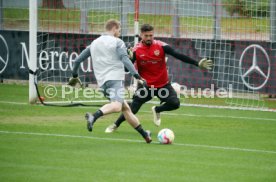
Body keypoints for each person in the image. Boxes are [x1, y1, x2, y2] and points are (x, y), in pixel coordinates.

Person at [105, 23, 213, 133]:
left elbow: (178, 55)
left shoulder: (161, 46)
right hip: (146, 86)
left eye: (151, 35)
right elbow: (126, 70)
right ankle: (115, 124)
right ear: (141, 35)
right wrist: (131, 59)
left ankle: (157, 109)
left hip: (163, 85)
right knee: (133, 109)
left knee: (175, 103)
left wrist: (197, 63)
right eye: (146, 35)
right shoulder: (136, 50)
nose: (149, 38)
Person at [68, 19, 152, 143]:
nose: (119, 32)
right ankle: (94, 116)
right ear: (114, 28)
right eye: (119, 29)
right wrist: (137, 76)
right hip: (115, 79)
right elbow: (125, 59)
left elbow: (77, 61)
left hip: (102, 83)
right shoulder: (117, 42)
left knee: (125, 109)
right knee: (117, 106)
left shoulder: (94, 43)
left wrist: (75, 75)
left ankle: (145, 134)